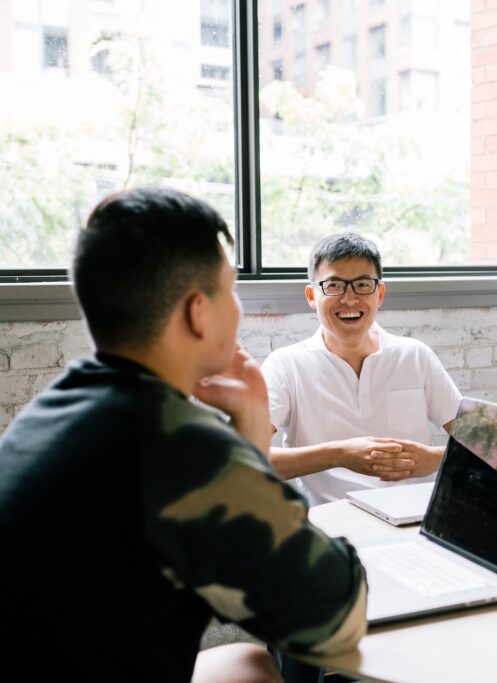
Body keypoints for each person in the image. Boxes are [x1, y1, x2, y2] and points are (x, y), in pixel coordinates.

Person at [0, 188, 366, 682]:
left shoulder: (53, 411)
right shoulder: (177, 445)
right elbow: (335, 620)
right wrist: (246, 445)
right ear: (198, 312)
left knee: (247, 661)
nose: (237, 309)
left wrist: (250, 431)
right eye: (231, 289)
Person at [260, 233, 462, 505]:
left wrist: (436, 459)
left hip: (414, 518)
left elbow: (489, 445)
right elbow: (248, 459)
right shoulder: (285, 365)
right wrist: (340, 454)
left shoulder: (415, 355)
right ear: (312, 295)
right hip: (331, 527)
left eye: (362, 285)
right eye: (334, 286)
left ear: (379, 293)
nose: (350, 299)